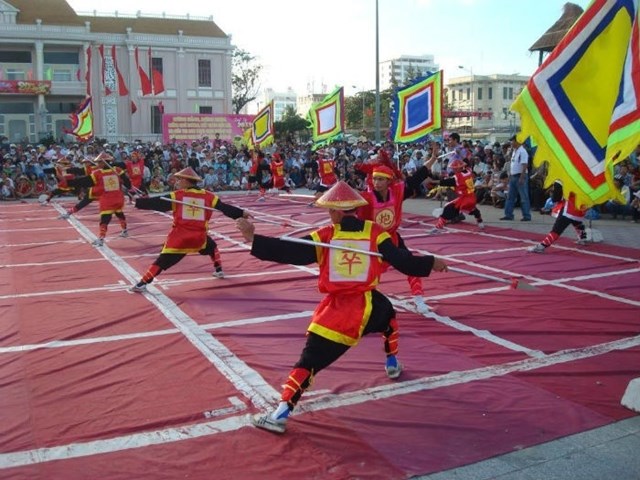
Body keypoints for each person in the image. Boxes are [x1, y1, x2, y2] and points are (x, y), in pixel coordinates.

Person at [236, 181, 448, 434]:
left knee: (309, 361)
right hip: (369, 303)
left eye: (330, 211)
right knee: (389, 316)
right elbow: (403, 262)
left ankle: (280, 413)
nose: (329, 215)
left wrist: (252, 238)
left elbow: (290, 251)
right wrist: (432, 261)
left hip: (340, 312)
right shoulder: (375, 231)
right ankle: (392, 361)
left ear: (336, 211)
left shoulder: (327, 234)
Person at [129, 167, 249, 292]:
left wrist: (138, 202)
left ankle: (142, 283)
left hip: (180, 238)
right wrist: (242, 213)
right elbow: (225, 208)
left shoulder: (177, 195)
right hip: (199, 238)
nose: (178, 182)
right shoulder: (209, 196)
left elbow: (157, 203)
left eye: (180, 179)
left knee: (162, 260)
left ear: (187, 181)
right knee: (212, 247)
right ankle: (219, 270)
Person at [357, 164, 436, 314]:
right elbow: (349, 202)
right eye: (374, 179)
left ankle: (418, 299)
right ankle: (363, 302)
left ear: (388, 181)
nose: (377, 182)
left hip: (393, 239)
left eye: (380, 179)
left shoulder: (397, 192)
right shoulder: (366, 198)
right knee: (368, 274)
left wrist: (431, 159)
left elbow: (415, 179)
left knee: (411, 266)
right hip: (374, 242)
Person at [67, 152, 131, 246]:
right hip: (118, 199)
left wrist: (70, 183)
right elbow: (127, 184)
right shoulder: (117, 170)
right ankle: (125, 231)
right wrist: (124, 182)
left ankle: (101, 238)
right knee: (119, 213)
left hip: (108, 200)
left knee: (104, 219)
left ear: (104, 162)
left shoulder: (98, 173)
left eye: (99, 162)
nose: (98, 164)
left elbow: (85, 181)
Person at [433, 145, 485, 231]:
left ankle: (439, 226)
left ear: (459, 168)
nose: (453, 170)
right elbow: (466, 161)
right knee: (473, 210)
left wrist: (432, 181)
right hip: (471, 197)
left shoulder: (458, 177)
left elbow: (444, 182)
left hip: (464, 199)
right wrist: (460, 154)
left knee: (448, 207)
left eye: (454, 168)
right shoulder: (468, 171)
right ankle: (480, 221)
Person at [528, 181, 588, 253]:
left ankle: (542, 246)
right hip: (580, 204)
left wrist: (553, 195)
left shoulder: (560, 178)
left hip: (569, 207)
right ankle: (582, 238)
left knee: (558, 227)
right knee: (575, 219)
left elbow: (556, 197)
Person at [500, 135, 532, 221]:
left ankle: (526, 216)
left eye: (512, 141)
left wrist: (522, 177)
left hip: (520, 176)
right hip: (513, 176)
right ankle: (508, 214)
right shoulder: (514, 151)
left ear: (517, 141)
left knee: (523, 197)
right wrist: (510, 175)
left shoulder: (522, 151)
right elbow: (512, 163)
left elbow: (524, 165)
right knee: (510, 197)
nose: (511, 143)